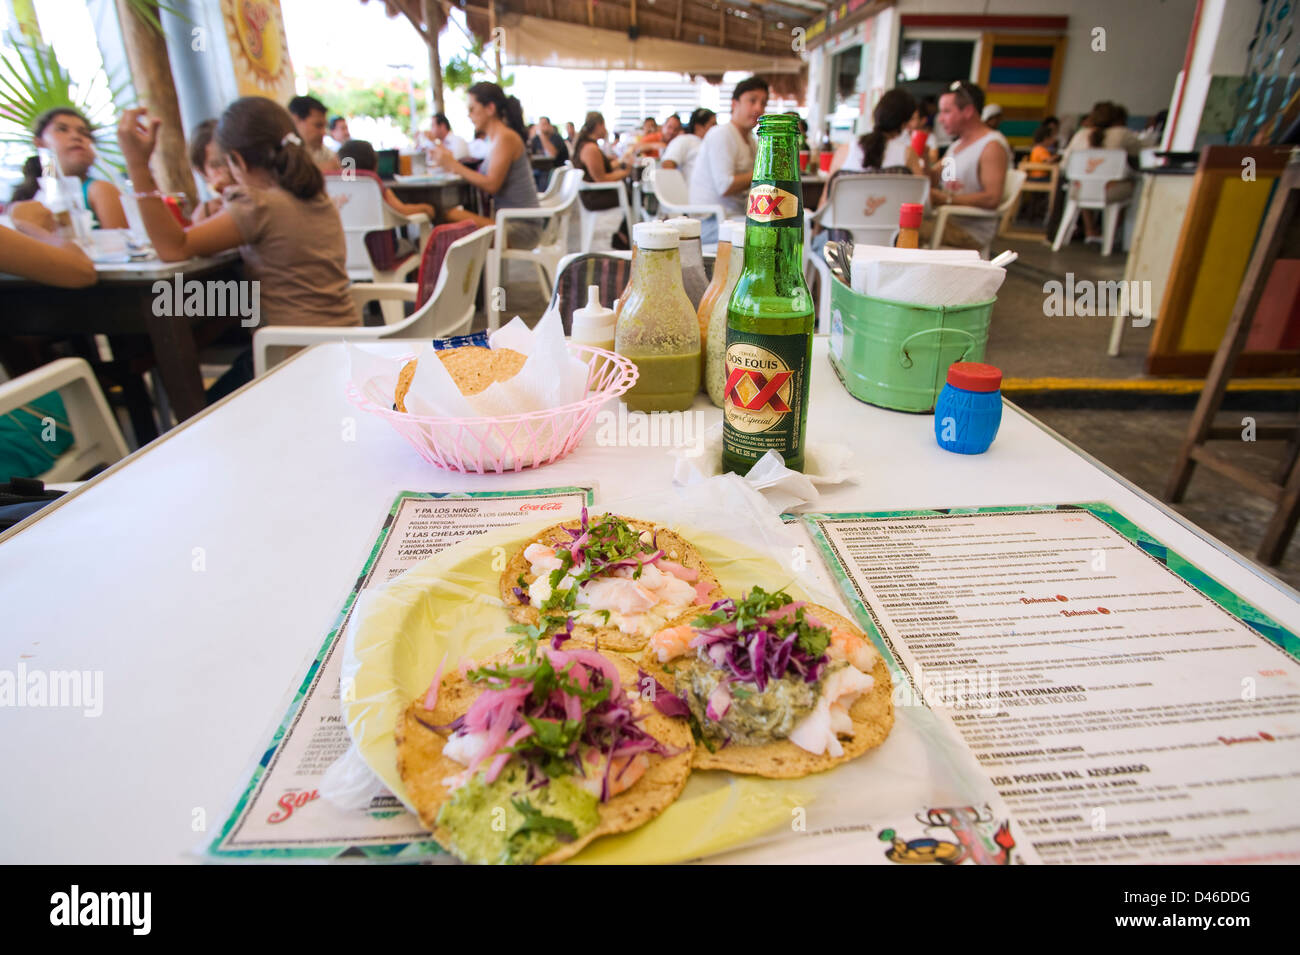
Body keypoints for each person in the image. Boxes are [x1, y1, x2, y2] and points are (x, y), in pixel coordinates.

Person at [117, 98, 357, 397]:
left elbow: (173, 247)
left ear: (238, 162)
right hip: (341, 345)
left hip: (292, 357)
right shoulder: (312, 195)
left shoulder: (258, 205)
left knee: (202, 411)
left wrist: (138, 165)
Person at [428, 81, 542, 249]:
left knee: (446, 215)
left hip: (522, 228)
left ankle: (457, 274)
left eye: (472, 109)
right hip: (509, 221)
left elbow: (491, 184)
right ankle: (472, 275)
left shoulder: (505, 138)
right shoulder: (496, 139)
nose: (469, 115)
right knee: (448, 218)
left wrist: (453, 165)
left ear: (490, 108)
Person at [924, 80, 1010, 251]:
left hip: (969, 231)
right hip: (944, 220)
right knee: (901, 220)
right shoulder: (957, 146)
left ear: (968, 111)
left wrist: (947, 199)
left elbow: (992, 198)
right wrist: (923, 156)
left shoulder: (991, 146)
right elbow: (933, 179)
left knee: (903, 227)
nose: (940, 119)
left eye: (947, 111)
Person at [13, 107, 127, 230]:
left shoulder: (98, 190)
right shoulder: (34, 193)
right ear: (39, 143)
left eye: (84, 133)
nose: (76, 136)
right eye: (62, 129)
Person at [690, 75, 769, 239]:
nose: (758, 108)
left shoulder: (751, 140)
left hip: (735, 219)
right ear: (734, 104)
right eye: (752, 101)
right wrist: (764, 173)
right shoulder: (722, 134)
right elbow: (724, 186)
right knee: (774, 234)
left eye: (763, 103)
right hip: (711, 223)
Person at [818, 88, 921, 212]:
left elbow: (825, 203)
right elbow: (922, 201)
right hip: (894, 230)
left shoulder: (845, 150)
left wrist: (814, 231)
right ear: (905, 123)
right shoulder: (907, 154)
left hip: (844, 230)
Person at [1059, 101, 1141, 243]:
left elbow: (1064, 166)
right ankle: (1111, 233)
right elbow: (1143, 151)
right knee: (1135, 185)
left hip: (1079, 190)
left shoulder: (1081, 135)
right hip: (1110, 191)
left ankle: (1090, 230)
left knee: (1085, 182)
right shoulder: (1122, 134)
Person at [571, 111, 634, 250]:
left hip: (592, 193)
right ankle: (625, 236)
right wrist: (625, 173)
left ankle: (624, 236)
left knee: (631, 193)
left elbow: (602, 170)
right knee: (633, 196)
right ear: (599, 125)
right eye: (604, 125)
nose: (605, 130)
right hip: (594, 196)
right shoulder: (590, 148)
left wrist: (621, 163)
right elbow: (601, 178)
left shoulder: (588, 145)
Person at [337, 139, 436, 220]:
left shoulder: (336, 189)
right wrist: (427, 208)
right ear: (375, 165)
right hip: (380, 243)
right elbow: (402, 210)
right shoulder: (376, 187)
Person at [188, 119, 234, 223]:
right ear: (202, 172)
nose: (228, 170)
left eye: (231, 160)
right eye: (217, 165)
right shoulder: (207, 215)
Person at [287, 95, 341, 173]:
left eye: (325, 126)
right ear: (296, 120)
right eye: (318, 125)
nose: (324, 132)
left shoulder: (323, 152)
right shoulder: (279, 154)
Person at [661, 107, 716, 183]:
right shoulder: (684, 140)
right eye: (713, 124)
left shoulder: (711, 144)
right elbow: (667, 164)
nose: (716, 128)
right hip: (690, 193)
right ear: (698, 127)